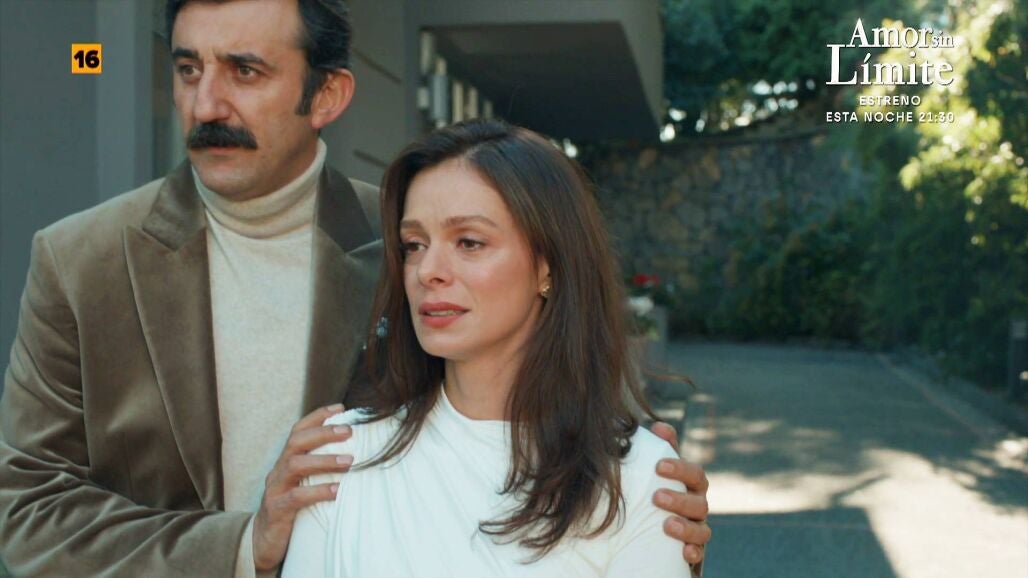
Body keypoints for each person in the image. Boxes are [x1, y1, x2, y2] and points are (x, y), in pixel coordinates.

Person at [0, 1, 710, 576]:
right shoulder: (79, 260)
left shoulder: (409, 233)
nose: (206, 103)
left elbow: (534, 392)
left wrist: (636, 506)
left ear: (329, 94)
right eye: (188, 69)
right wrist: (244, 546)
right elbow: (24, 510)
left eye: (245, 70)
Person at [282, 118, 698, 577]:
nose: (428, 270)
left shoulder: (640, 478)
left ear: (548, 266)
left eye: (469, 242)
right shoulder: (340, 453)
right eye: (414, 245)